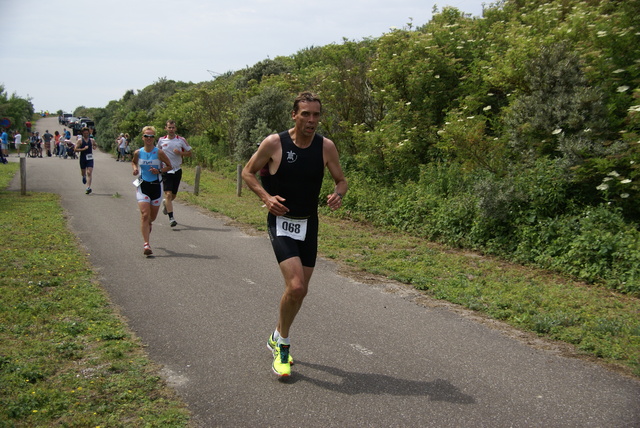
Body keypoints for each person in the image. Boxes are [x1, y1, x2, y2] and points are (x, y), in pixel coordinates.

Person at [241, 91, 348, 377]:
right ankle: (283, 346)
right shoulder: (275, 143)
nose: (311, 120)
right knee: (297, 286)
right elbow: (248, 173)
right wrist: (266, 198)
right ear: (294, 115)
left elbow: (341, 179)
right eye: (305, 114)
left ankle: (277, 334)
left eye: (316, 114)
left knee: (299, 293)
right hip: (281, 221)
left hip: (309, 223)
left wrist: (338, 194)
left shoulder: (326, 147)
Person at [131, 126, 173, 256]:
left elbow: (170, 166)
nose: (149, 139)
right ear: (142, 137)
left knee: (151, 218)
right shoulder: (138, 152)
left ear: (154, 138)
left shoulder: (159, 152)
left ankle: (149, 223)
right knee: (144, 214)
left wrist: (159, 171)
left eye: (151, 136)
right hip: (143, 186)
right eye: (146, 136)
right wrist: (135, 169)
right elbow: (133, 162)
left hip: (156, 186)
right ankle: (146, 244)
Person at [158, 120, 192, 227]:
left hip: (177, 170)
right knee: (168, 194)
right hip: (166, 170)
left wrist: (180, 153)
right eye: (169, 127)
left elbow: (190, 153)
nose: (171, 129)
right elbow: (157, 153)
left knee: (172, 196)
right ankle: (171, 218)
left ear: (175, 129)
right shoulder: (161, 140)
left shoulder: (181, 140)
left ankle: (166, 203)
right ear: (166, 128)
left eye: (173, 128)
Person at [74, 127, 97, 194]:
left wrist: (94, 147)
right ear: (82, 133)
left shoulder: (91, 140)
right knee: (83, 172)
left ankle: (88, 187)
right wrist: (83, 149)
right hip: (83, 158)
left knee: (89, 172)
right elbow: (75, 149)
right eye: (85, 133)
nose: (86, 134)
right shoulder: (80, 141)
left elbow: (95, 145)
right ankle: (83, 176)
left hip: (90, 158)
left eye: (87, 133)